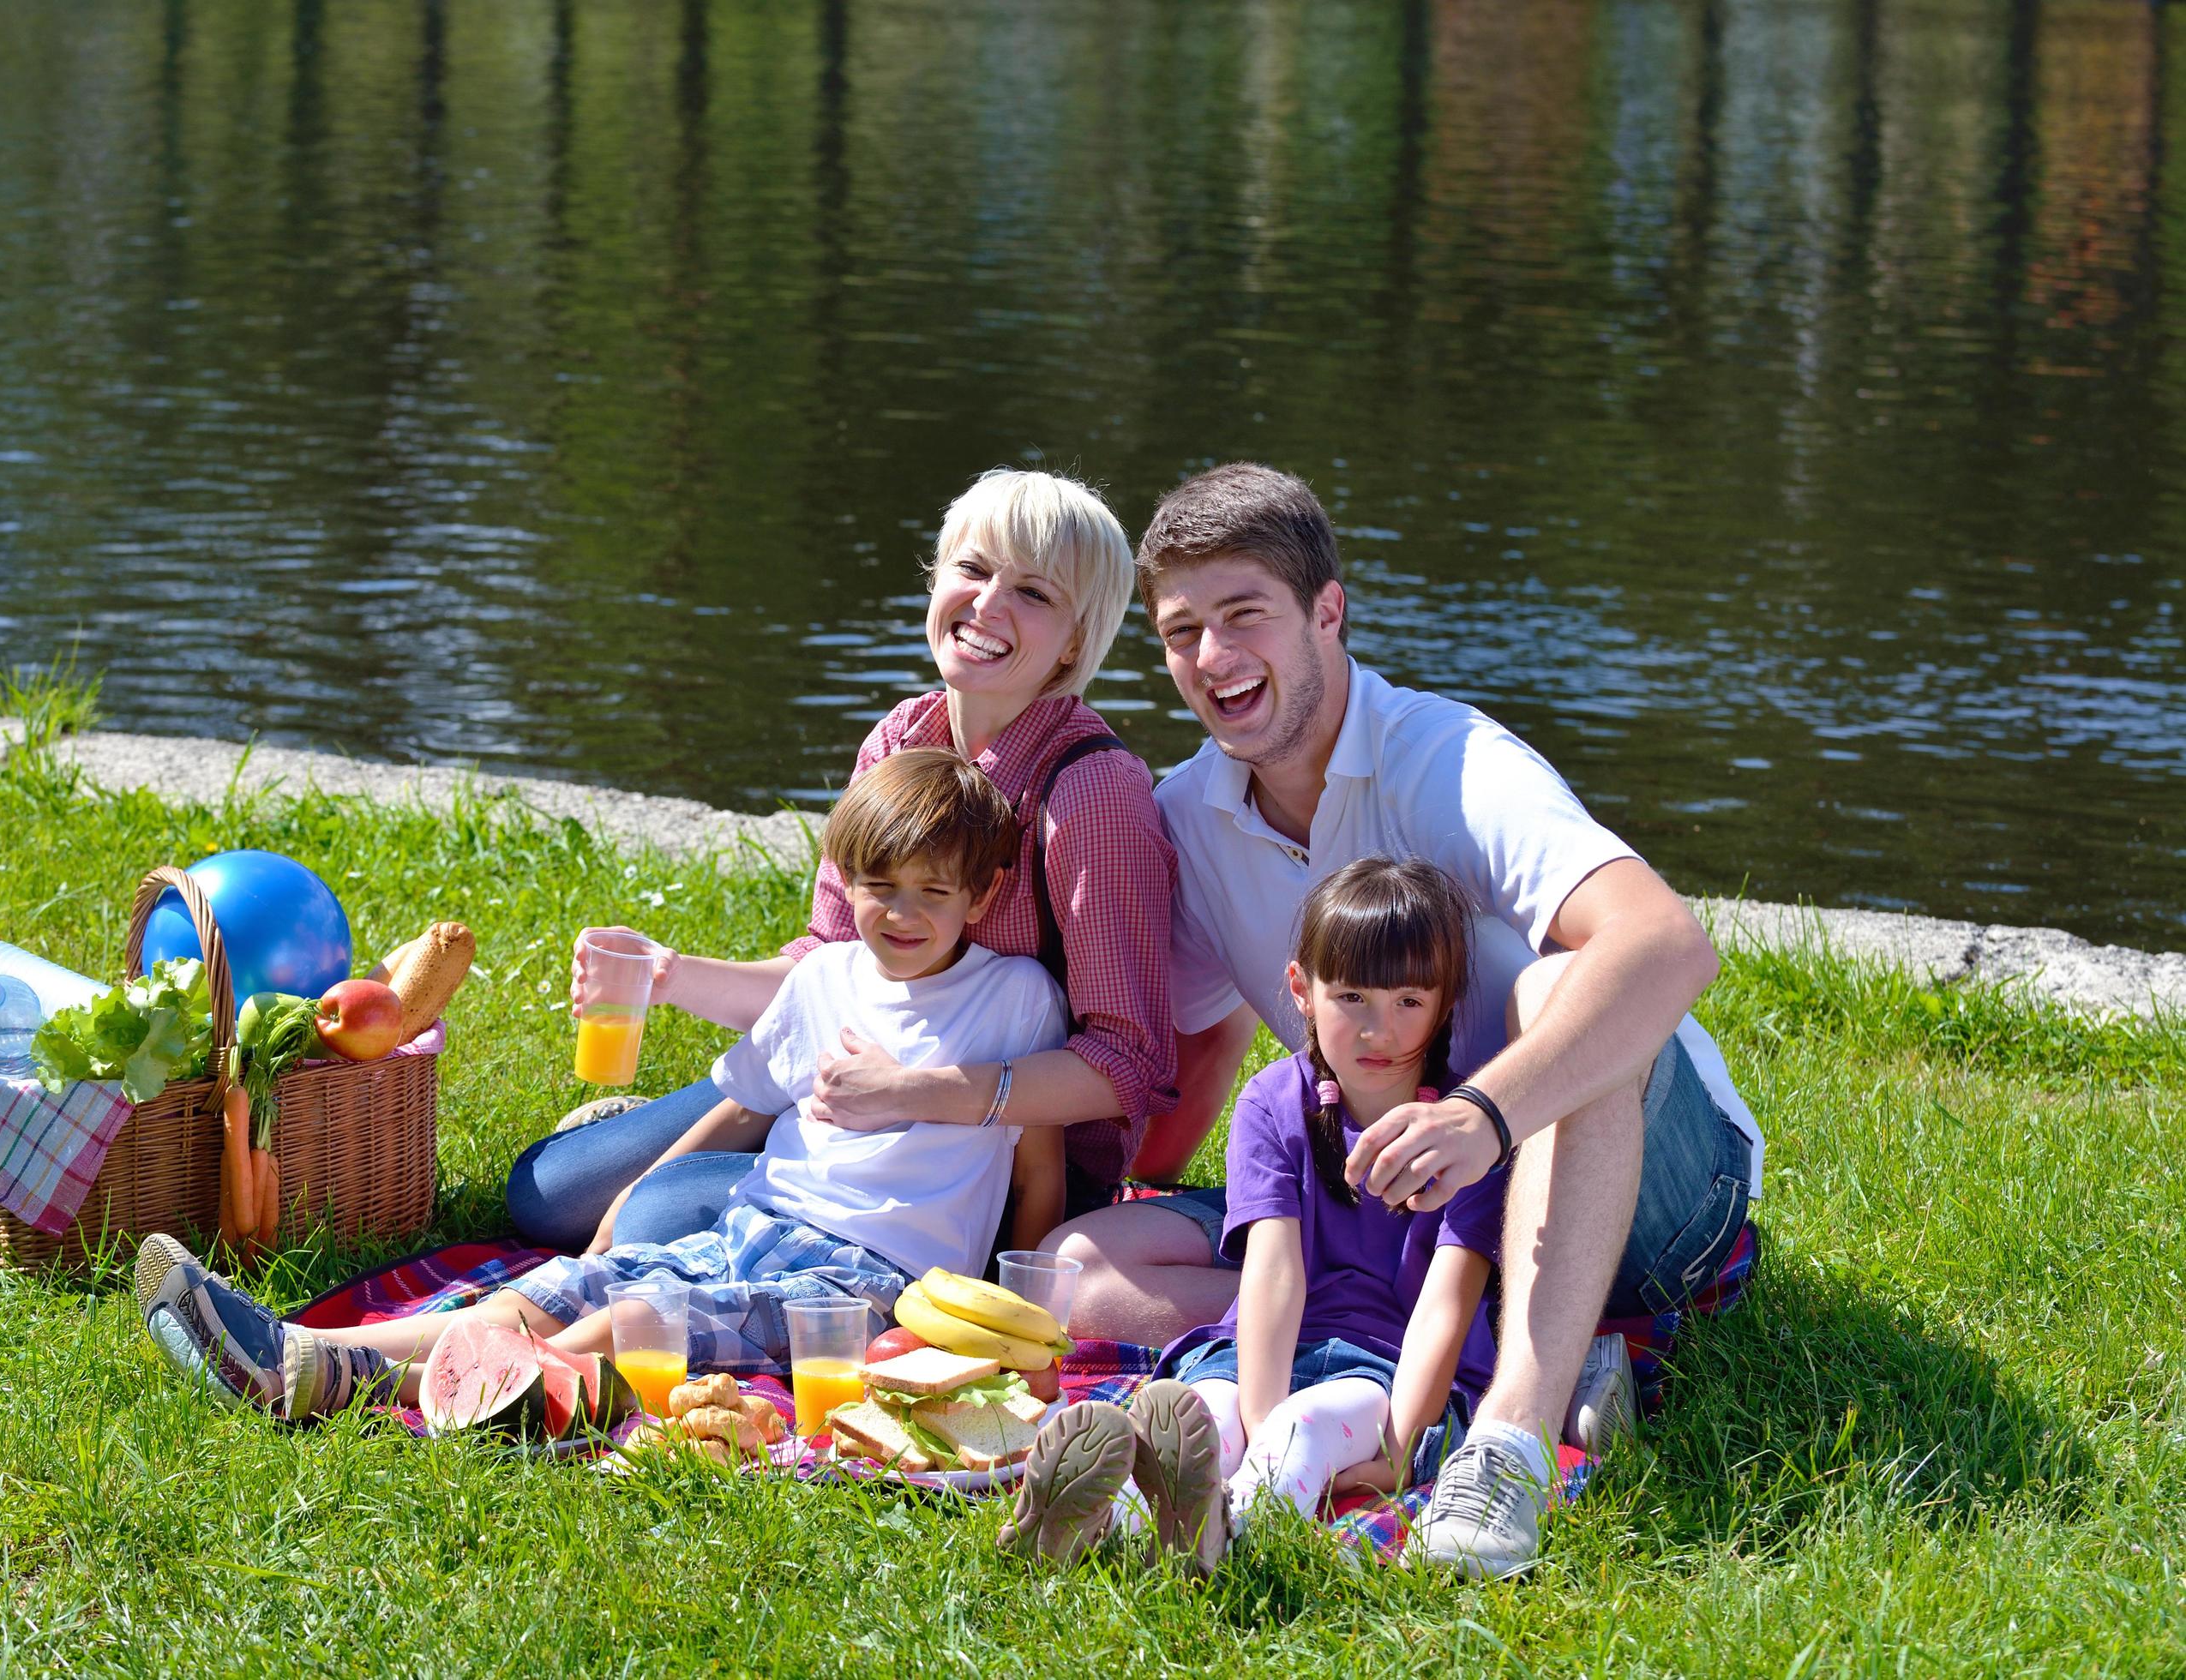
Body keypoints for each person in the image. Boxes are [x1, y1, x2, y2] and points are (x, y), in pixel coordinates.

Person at [1042, 463, 1763, 1580]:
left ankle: (1510, 1443)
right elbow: (1193, 1041)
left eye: (1247, 617)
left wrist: (1484, 1115)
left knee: (1553, 987)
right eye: (1184, 633)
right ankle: (1391, 1360)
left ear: (1329, 612)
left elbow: (1666, 944)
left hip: (1659, 1193)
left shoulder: (1449, 763)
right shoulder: (1192, 812)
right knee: (1076, 1264)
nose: (1215, 659)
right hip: (1390, 1203)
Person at [135, 750, 1069, 1417]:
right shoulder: (822, 980)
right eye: (877, 885)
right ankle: (304, 1352)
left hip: (863, 1280)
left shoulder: (1013, 998)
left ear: (980, 897)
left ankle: (375, 1386)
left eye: (932, 893)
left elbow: (1036, 1166)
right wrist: (632, 1190)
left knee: (628, 1322)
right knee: (551, 1291)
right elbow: (744, 1105)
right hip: (752, 1224)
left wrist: (1011, 1322)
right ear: (846, 879)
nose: (899, 913)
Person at [505, 469, 1178, 1259]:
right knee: (543, 1195)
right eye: (972, 569)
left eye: (1033, 592)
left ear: (1076, 640)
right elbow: (827, 964)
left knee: (651, 1219)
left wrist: (913, 1092)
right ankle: (729, 1133)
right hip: (841, 1096)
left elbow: (1125, 1064)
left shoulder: (1094, 793)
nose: (989, 605)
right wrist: (672, 976)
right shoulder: (900, 741)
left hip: (985, 1165)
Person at [1001, 857, 1509, 1575]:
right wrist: (1255, 1409)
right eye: (1353, 997)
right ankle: (1100, 1520)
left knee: (1301, 1431)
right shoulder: (1274, 1102)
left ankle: (1229, 1535)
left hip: (1385, 1371)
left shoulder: (1467, 1132)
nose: (1379, 1029)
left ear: (1445, 999)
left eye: (1408, 1001)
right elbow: (1272, 1274)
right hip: (1256, 1345)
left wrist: (1398, 1448)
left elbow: (1445, 1305)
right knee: (1201, 1414)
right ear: (1303, 989)